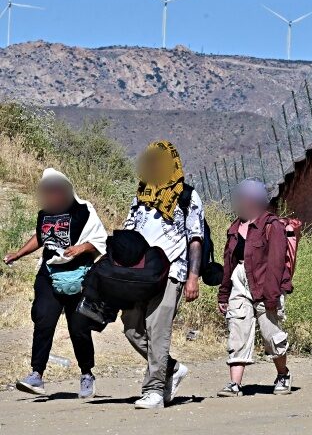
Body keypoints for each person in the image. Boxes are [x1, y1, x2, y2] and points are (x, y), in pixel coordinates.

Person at [3, 168, 107, 398]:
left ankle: (87, 373)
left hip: (78, 274)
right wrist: (18, 254)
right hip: (50, 272)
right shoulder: (46, 213)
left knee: (78, 328)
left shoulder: (83, 211)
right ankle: (36, 374)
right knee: (43, 320)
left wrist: (81, 248)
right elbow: (41, 237)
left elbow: (100, 239)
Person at [121, 140, 204, 409]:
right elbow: (130, 231)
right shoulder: (141, 195)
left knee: (157, 331)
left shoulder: (187, 196)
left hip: (172, 271)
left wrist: (192, 277)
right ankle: (172, 368)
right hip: (138, 272)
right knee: (132, 328)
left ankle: (154, 390)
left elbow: (195, 238)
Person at [217, 178, 292, 397]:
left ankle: (283, 374)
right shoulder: (234, 227)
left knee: (271, 334)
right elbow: (228, 263)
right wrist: (224, 293)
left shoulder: (272, 225)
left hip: (266, 283)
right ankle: (234, 384)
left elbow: (276, 263)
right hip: (239, 282)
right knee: (237, 329)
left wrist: (271, 297)